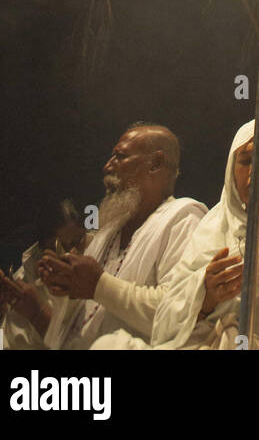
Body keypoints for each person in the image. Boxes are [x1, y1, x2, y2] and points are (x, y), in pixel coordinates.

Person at [39, 123, 206, 349]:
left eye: (120, 156)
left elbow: (176, 314)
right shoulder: (110, 228)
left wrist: (99, 285)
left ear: (155, 163)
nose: (107, 166)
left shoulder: (184, 218)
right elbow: (86, 315)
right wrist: (69, 288)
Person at [134, 119, 259, 351]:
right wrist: (205, 295)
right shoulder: (212, 226)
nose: (256, 170)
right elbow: (164, 321)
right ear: (231, 170)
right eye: (246, 161)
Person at [0, 201, 86, 349]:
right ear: (42, 248)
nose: (70, 254)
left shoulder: (101, 271)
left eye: (76, 242)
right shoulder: (22, 282)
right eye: (59, 247)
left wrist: (37, 313)